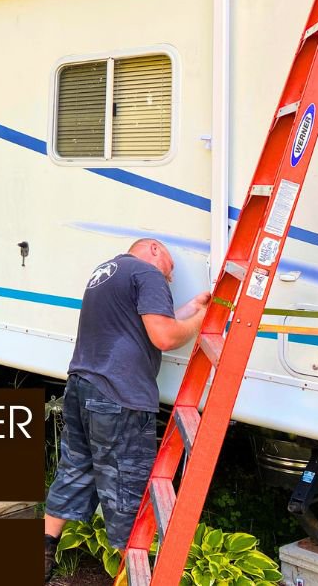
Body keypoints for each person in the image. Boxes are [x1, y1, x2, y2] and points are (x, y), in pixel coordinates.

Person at [43, 238, 210, 581]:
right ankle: (135, 576)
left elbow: (144, 326)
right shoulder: (147, 273)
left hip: (81, 386)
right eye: (171, 269)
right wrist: (202, 321)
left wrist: (191, 308)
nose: (170, 278)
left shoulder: (105, 273)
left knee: (75, 469)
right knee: (125, 487)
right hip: (119, 395)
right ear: (152, 249)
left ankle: (43, 553)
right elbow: (163, 337)